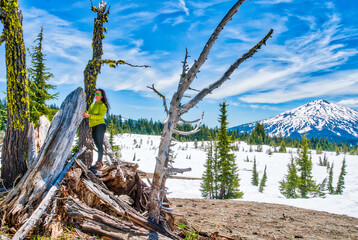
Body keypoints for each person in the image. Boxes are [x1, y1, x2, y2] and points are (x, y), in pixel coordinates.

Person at [82, 88, 109, 171]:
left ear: (101, 96)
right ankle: (98, 162)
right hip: (93, 126)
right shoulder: (93, 104)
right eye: (95, 94)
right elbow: (89, 113)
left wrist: (89, 116)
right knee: (97, 144)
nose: (96, 95)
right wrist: (85, 113)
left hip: (100, 126)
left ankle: (99, 162)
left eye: (98, 94)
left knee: (99, 144)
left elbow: (100, 116)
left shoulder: (102, 105)